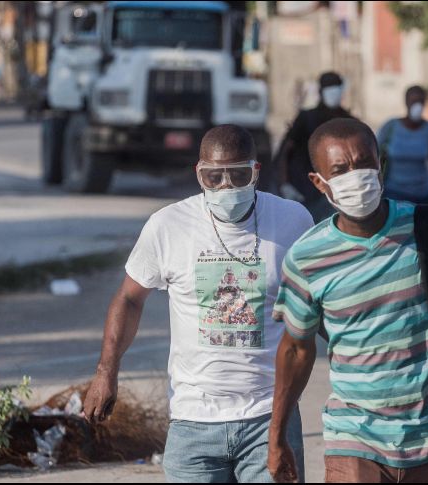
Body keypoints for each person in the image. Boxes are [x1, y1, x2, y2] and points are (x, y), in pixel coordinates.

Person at [267, 118, 428, 483]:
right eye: (340, 170)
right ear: (319, 183)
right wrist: (276, 437)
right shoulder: (307, 258)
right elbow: (295, 349)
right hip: (353, 435)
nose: (356, 176)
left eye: (364, 162)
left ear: (381, 164)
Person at [82, 125, 314, 483]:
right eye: (213, 176)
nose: (225, 187)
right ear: (198, 173)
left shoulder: (292, 221)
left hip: (270, 416)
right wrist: (106, 373)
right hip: (193, 422)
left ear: (255, 172)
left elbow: (319, 303)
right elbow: (129, 298)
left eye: (237, 175)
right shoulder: (168, 226)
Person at [276, 71, 356, 222]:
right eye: (329, 88)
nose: (333, 92)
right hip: (302, 189)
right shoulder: (306, 118)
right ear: (320, 91)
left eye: (336, 87)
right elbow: (285, 152)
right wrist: (284, 184)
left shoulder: (349, 121)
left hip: (336, 193)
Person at [378, 85, 428, 205]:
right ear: (406, 102)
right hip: (394, 192)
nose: (417, 105)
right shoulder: (391, 127)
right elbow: (376, 152)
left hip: (422, 193)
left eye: (420, 101)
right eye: (413, 101)